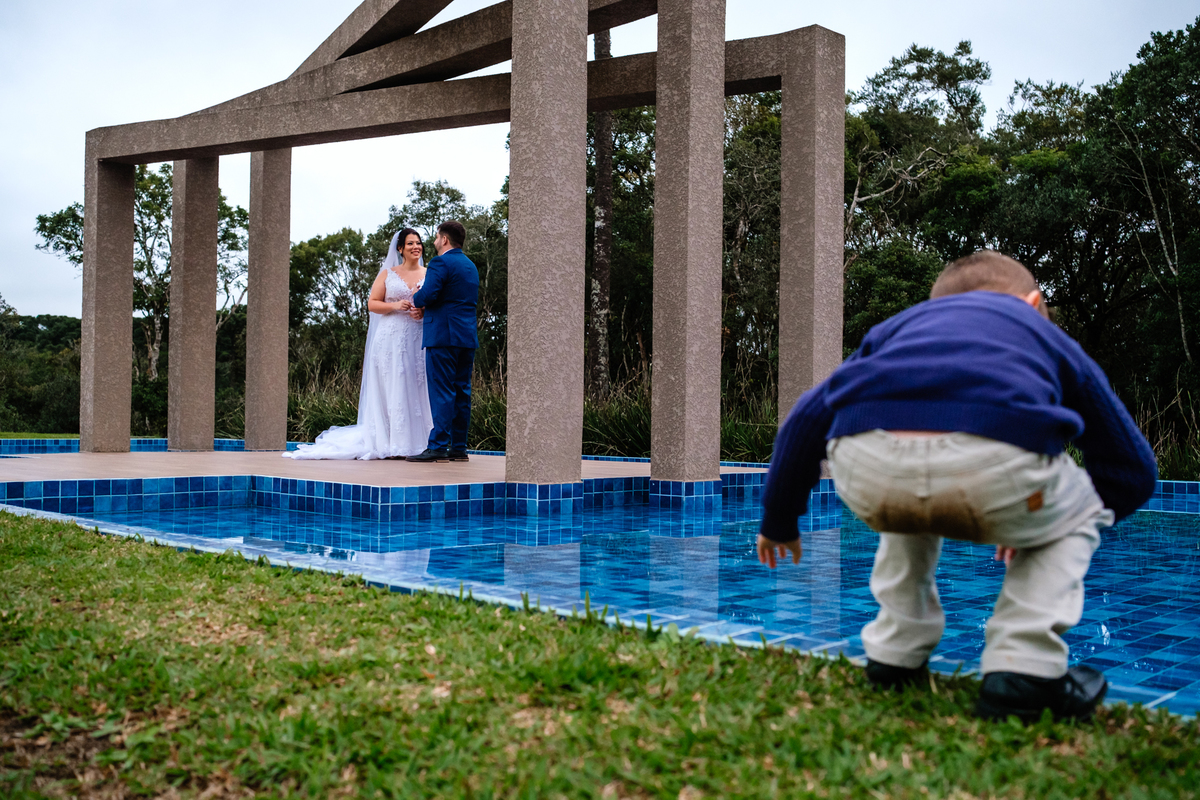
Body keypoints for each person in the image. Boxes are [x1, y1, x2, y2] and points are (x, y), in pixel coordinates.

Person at [756, 250, 1157, 723]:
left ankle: (893, 653)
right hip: (996, 458)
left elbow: (806, 416)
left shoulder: (896, 329)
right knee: (1085, 507)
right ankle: (1023, 671)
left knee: (908, 510)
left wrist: (779, 521)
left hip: (866, 463)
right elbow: (1131, 470)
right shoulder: (1035, 327)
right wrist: (1046, 518)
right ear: (1033, 303)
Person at [283, 228, 434, 461]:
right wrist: (395, 306)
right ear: (400, 249)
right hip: (390, 338)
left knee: (416, 384)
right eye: (411, 243)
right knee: (392, 385)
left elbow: (434, 304)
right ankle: (391, 443)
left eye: (419, 243)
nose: (416, 247)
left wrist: (421, 311)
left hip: (417, 337)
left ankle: (420, 442)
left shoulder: (430, 273)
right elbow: (372, 304)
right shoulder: (387, 274)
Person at [404, 220, 479, 463]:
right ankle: (458, 447)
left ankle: (437, 446)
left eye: (437, 237)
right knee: (461, 392)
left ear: (444, 239)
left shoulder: (440, 262)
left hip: (443, 337)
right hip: (466, 337)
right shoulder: (470, 266)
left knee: (442, 391)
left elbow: (429, 294)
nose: (434, 241)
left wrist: (417, 295)